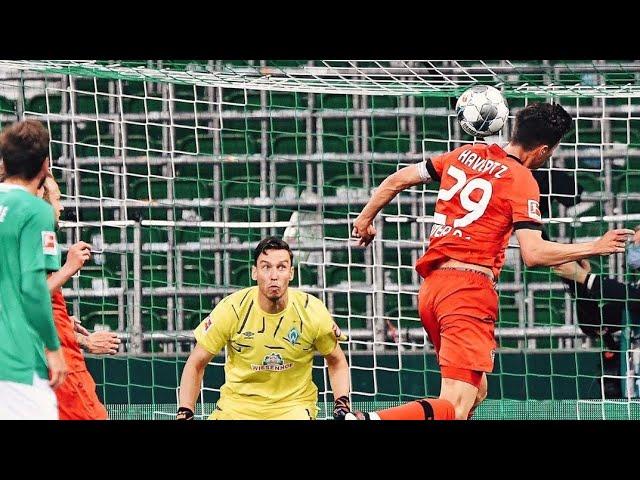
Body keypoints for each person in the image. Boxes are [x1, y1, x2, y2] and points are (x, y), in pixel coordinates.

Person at [349, 102, 633, 420]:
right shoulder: (522, 179)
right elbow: (533, 254)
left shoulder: (462, 156)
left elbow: (397, 179)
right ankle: (367, 419)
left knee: (476, 393)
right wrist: (595, 247)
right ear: (542, 150)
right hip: (468, 291)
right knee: (454, 405)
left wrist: (365, 219)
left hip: (432, 289)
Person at [177, 236, 351, 420]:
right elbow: (196, 363)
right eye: (266, 267)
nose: (274, 275)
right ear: (254, 272)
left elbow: (337, 361)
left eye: (281, 267)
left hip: (292, 409)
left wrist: (342, 406)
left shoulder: (312, 311)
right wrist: (185, 413)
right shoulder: (232, 309)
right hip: (237, 409)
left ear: (291, 273)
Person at [0, 120, 67, 419]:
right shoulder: (35, 210)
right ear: (44, 165)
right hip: (15, 361)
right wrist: (53, 347)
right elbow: (33, 287)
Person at [40, 172, 121, 419]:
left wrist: (63, 322)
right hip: (57, 363)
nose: (61, 206)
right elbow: (27, 298)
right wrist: (69, 267)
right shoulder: (39, 235)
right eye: (57, 198)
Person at [551, 229, 640, 398]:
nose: (633, 248)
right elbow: (593, 324)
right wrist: (578, 284)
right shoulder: (635, 287)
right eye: (633, 243)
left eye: (638, 244)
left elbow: (635, 299)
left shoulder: (633, 294)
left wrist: (585, 278)